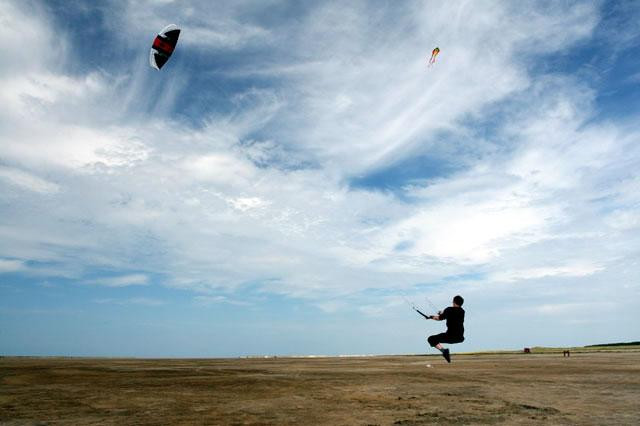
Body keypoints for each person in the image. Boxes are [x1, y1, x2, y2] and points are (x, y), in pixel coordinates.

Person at [425, 295, 465, 363]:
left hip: (450, 336)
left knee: (431, 339)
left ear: (454, 302)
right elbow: (451, 315)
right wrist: (442, 313)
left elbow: (439, 318)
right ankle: (445, 352)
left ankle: (444, 351)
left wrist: (430, 317)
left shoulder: (448, 310)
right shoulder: (462, 311)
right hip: (460, 338)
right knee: (437, 338)